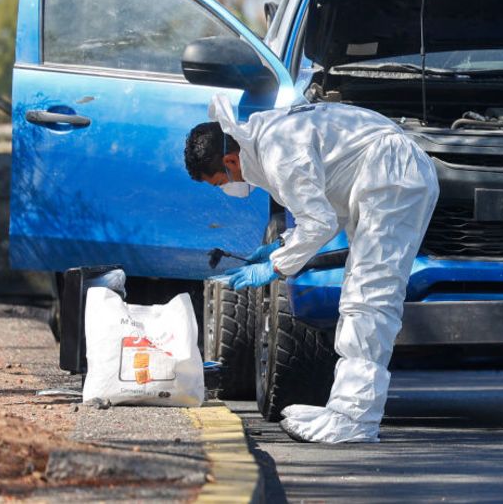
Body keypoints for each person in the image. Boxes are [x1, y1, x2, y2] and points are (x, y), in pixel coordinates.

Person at [184, 95, 439, 443]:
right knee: (358, 293)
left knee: (369, 296)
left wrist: (276, 265)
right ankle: (345, 408)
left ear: (230, 159)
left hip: (391, 178)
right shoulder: (270, 136)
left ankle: (355, 418)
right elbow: (325, 210)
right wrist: (282, 245)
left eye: (220, 181)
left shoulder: (279, 152)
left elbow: (318, 223)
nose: (227, 187)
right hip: (383, 175)